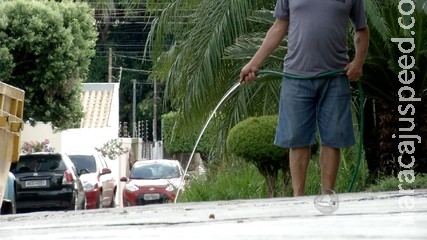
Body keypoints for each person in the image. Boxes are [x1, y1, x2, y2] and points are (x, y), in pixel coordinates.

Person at [240, 0, 369, 196]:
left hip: (335, 77)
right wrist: (254, 63)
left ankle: (328, 197)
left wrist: (358, 62)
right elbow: (279, 26)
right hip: (296, 77)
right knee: (297, 140)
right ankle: (298, 199)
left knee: (333, 139)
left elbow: (361, 29)